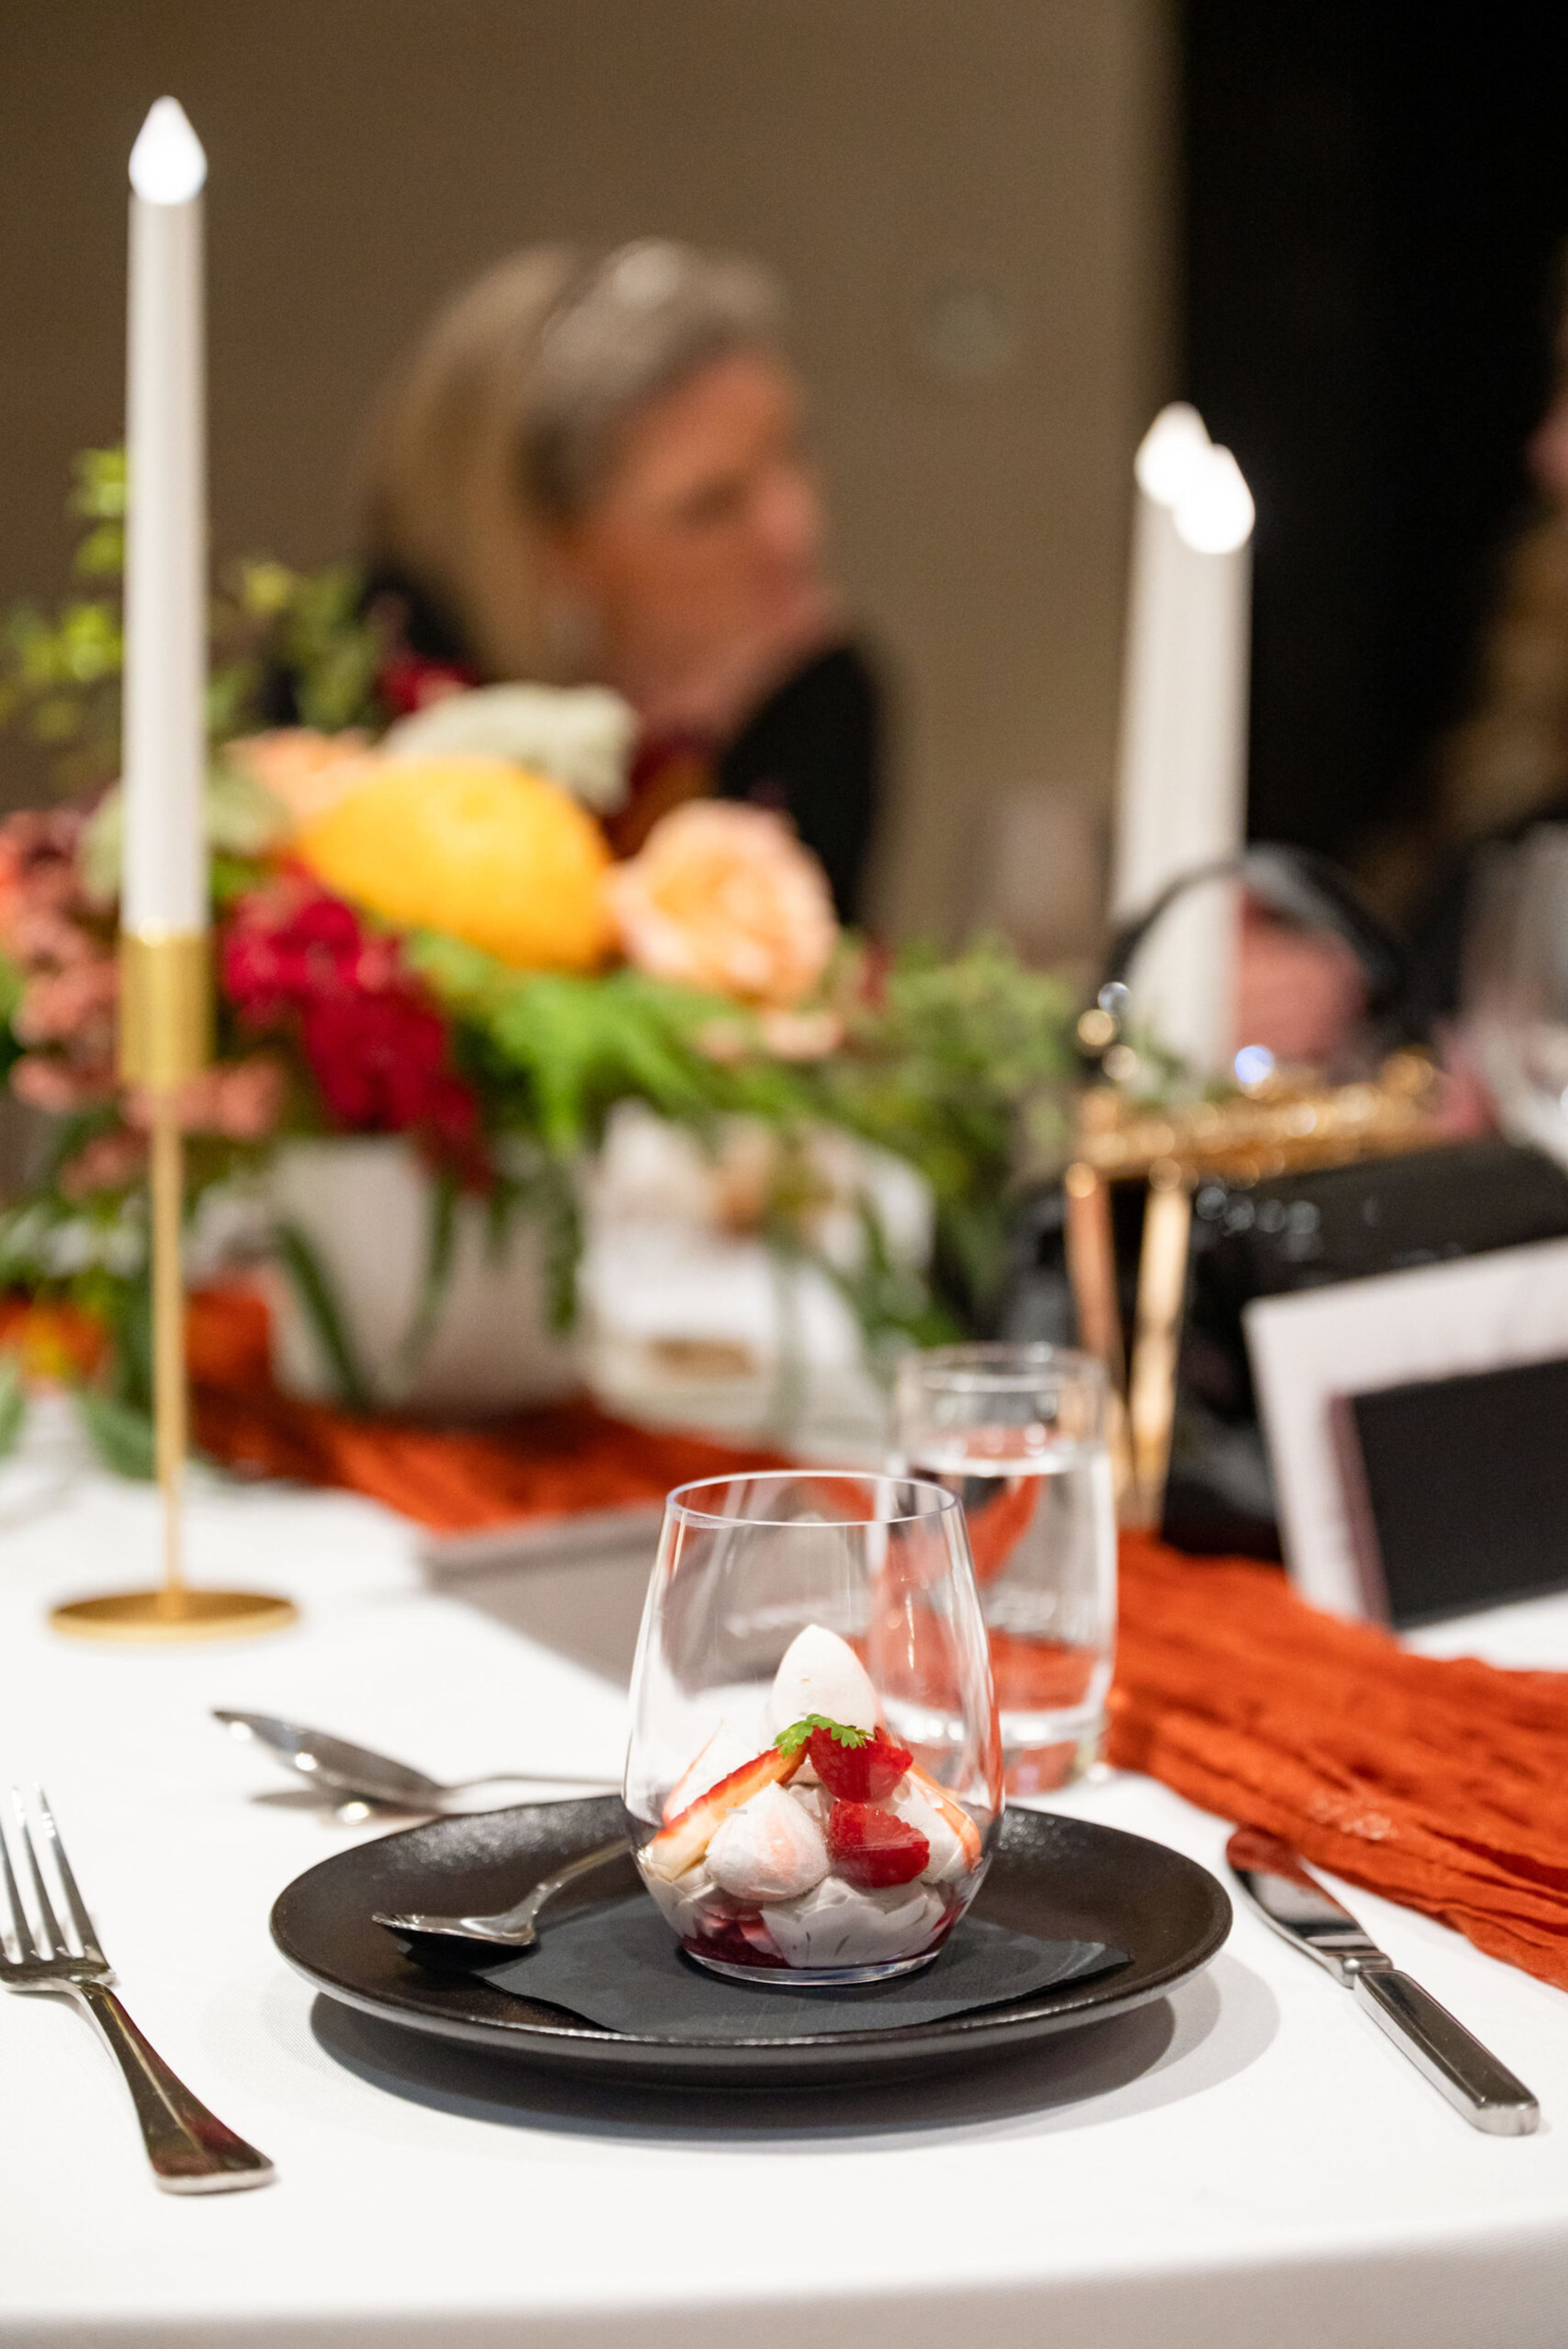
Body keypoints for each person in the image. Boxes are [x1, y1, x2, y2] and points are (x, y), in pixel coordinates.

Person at [350, 241, 880, 920]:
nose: (795, 530)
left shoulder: (814, 701)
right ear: (549, 549)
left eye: (794, 453)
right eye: (709, 506)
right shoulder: (375, 693)